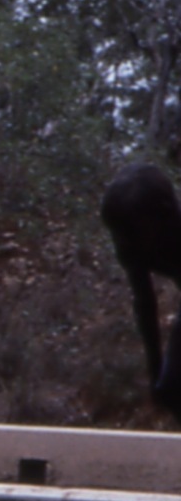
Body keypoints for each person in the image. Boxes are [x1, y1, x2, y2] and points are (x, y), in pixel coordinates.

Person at [100, 164, 181, 419]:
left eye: (134, 231)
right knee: (170, 390)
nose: (126, 240)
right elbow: (145, 302)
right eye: (120, 232)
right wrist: (155, 373)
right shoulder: (129, 239)